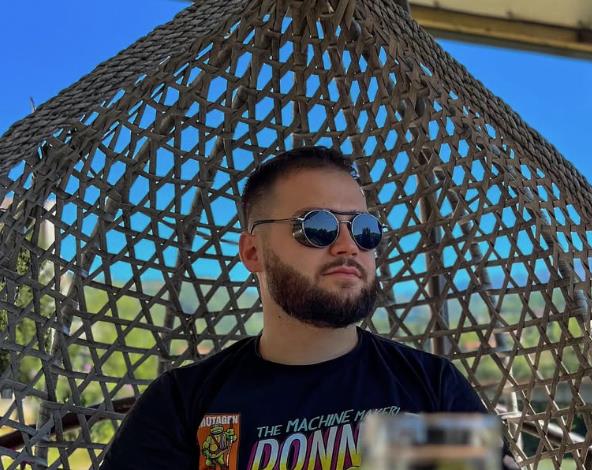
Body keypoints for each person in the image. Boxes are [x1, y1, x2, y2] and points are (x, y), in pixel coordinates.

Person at [101, 146, 516, 469]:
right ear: (253, 252)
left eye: (365, 229)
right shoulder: (184, 404)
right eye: (317, 227)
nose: (348, 245)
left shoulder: (430, 387)